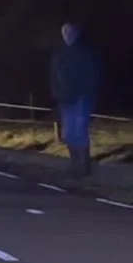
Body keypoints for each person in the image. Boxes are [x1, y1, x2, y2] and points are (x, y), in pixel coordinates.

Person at [51, 22, 101, 177]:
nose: (67, 35)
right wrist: (57, 93)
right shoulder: (59, 55)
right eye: (65, 32)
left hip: (81, 98)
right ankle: (74, 164)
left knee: (80, 130)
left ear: (76, 34)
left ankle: (84, 165)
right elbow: (54, 76)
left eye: (70, 31)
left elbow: (92, 75)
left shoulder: (84, 53)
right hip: (65, 99)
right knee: (69, 133)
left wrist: (84, 92)